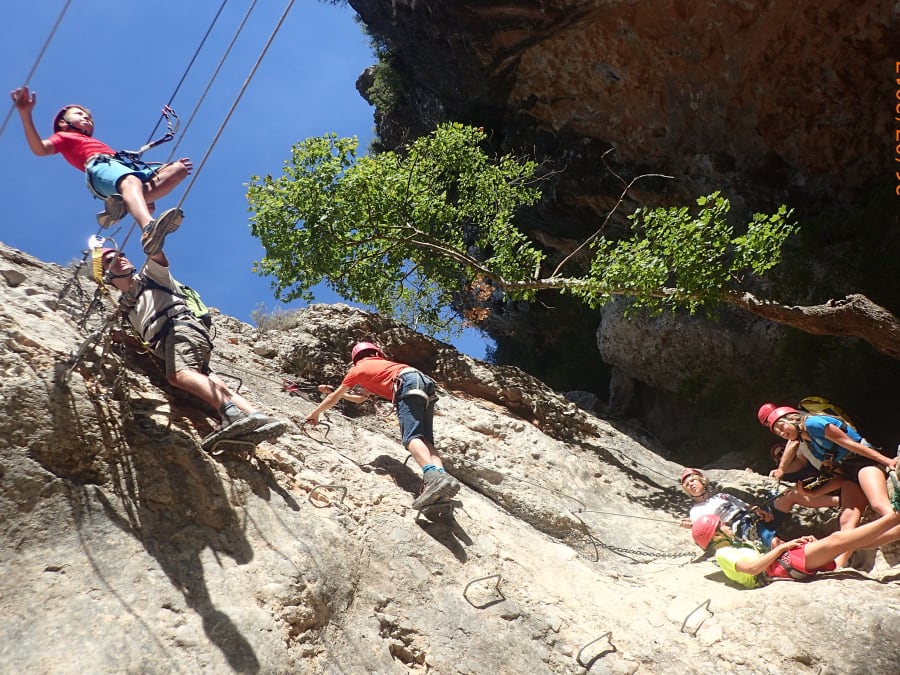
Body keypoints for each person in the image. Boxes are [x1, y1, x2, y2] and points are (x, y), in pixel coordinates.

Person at [96, 243, 285, 452]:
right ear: (105, 274)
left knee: (179, 375)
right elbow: (144, 337)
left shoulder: (150, 275)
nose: (120, 258)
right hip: (174, 339)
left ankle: (231, 413)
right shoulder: (126, 308)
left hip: (179, 329)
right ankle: (256, 416)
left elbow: (156, 252)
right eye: (110, 260)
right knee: (213, 381)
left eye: (121, 254)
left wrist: (150, 230)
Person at [10, 86, 191, 255]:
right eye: (78, 114)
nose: (86, 117)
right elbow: (40, 149)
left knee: (179, 169)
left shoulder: (92, 142)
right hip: (100, 167)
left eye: (88, 116)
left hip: (121, 166)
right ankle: (148, 228)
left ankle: (125, 204)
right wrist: (26, 115)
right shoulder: (64, 136)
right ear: (63, 123)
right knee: (130, 182)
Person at [306, 341, 461, 509]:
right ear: (376, 353)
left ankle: (432, 477)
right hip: (423, 382)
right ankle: (443, 479)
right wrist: (337, 392)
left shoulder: (357, 369)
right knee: (426, 440)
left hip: (407, 382)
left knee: (411, 438)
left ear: (355, 359)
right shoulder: (381, 367)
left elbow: (332, 399)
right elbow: (360, 398)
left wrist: (315, 413)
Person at [691, 473, 900, 588]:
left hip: (780, 563)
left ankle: (896, 528)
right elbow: (753, 568)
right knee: (838, 539)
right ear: (716, 535)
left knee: (848, 541)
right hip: (778, 568)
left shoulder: (732, 545)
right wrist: (784, 548)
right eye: (722, 526)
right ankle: (893, 516)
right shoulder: (723, 553)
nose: (726, 525)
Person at [678, 468, 841, 549]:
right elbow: (703, 531)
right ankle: (820, 550)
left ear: (702, 481)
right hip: (739, 527)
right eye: (687, 485)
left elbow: (745, 505)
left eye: (693, 481)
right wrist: (691, 525)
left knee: (789, 494)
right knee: (778, 544)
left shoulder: (722, 496)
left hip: (754, 517)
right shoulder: (695, 511)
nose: (690, 485)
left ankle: (838, 501)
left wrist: (758, 510)